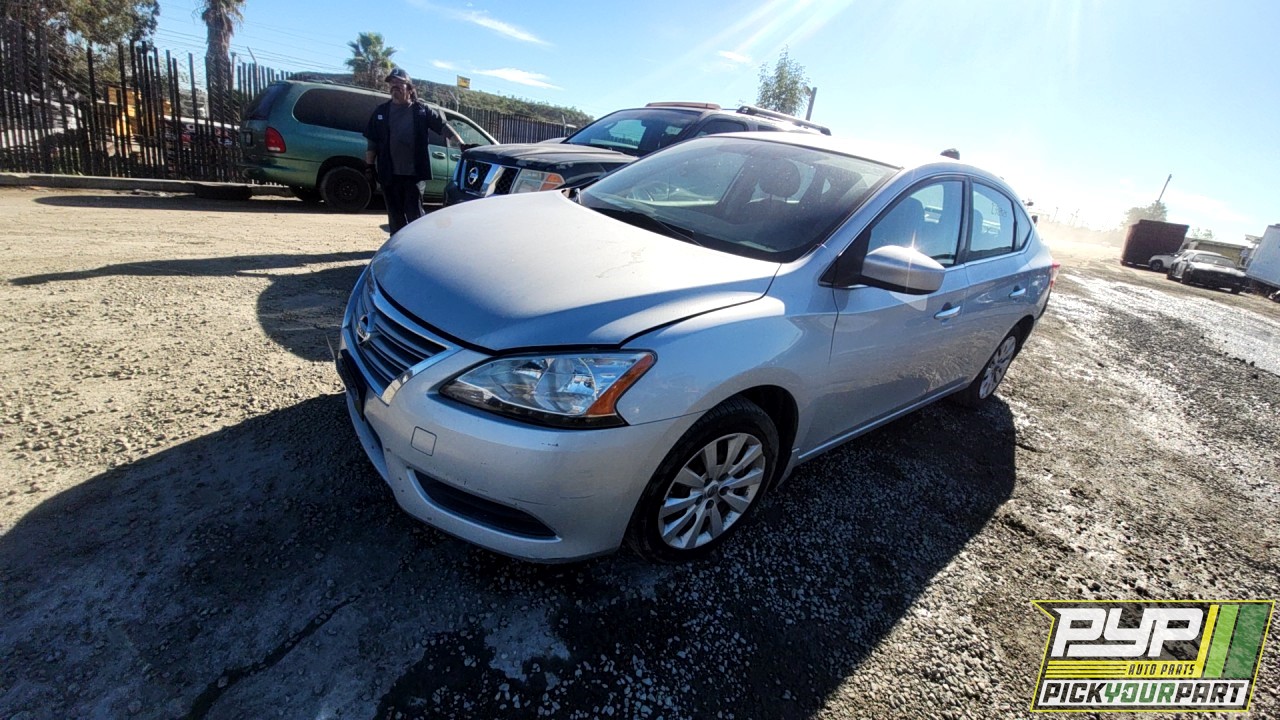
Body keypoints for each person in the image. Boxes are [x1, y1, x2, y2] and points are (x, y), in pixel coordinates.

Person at [363, 67, 465, 234]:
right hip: (389, 175)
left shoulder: (421, 111)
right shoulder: (381, 112)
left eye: (399, 83)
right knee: (395, 217)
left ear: (409, 88)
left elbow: (443, 127)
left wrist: (461, 145)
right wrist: (368, 167)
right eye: (392, 83)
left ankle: (415, 248)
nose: (394, 86)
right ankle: (396, 248)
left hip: (413, 176)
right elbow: (372, 142)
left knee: (415, 216)